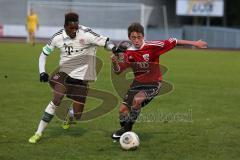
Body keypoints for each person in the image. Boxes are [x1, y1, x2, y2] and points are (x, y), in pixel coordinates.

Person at [29, 12, 116, 144]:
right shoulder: (57, 37)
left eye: (76, 27)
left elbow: (106, 42)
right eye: (71, 28)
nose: (74, 30)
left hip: (82, 79)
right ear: (65, 26)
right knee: (56, 99)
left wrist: (115, 49)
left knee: (77, 115)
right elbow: (43, 54)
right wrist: (42, 72)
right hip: (64, 74)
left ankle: (70, 116)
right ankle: (38, 132)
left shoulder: (86, 33)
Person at [111, 22, 208, 140]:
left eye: (139, 37)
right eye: (133, 38)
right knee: (122, 110)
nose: (136, 40)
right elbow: (118, 71)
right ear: (129, 38)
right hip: (137, 84)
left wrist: (194, 43)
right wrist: (115, 62)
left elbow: (174, 41)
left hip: (153, 83)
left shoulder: (153, 46)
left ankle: (126, 130)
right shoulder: (128, 53)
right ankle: (126, 134)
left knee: (137, 100)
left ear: (143, 36)